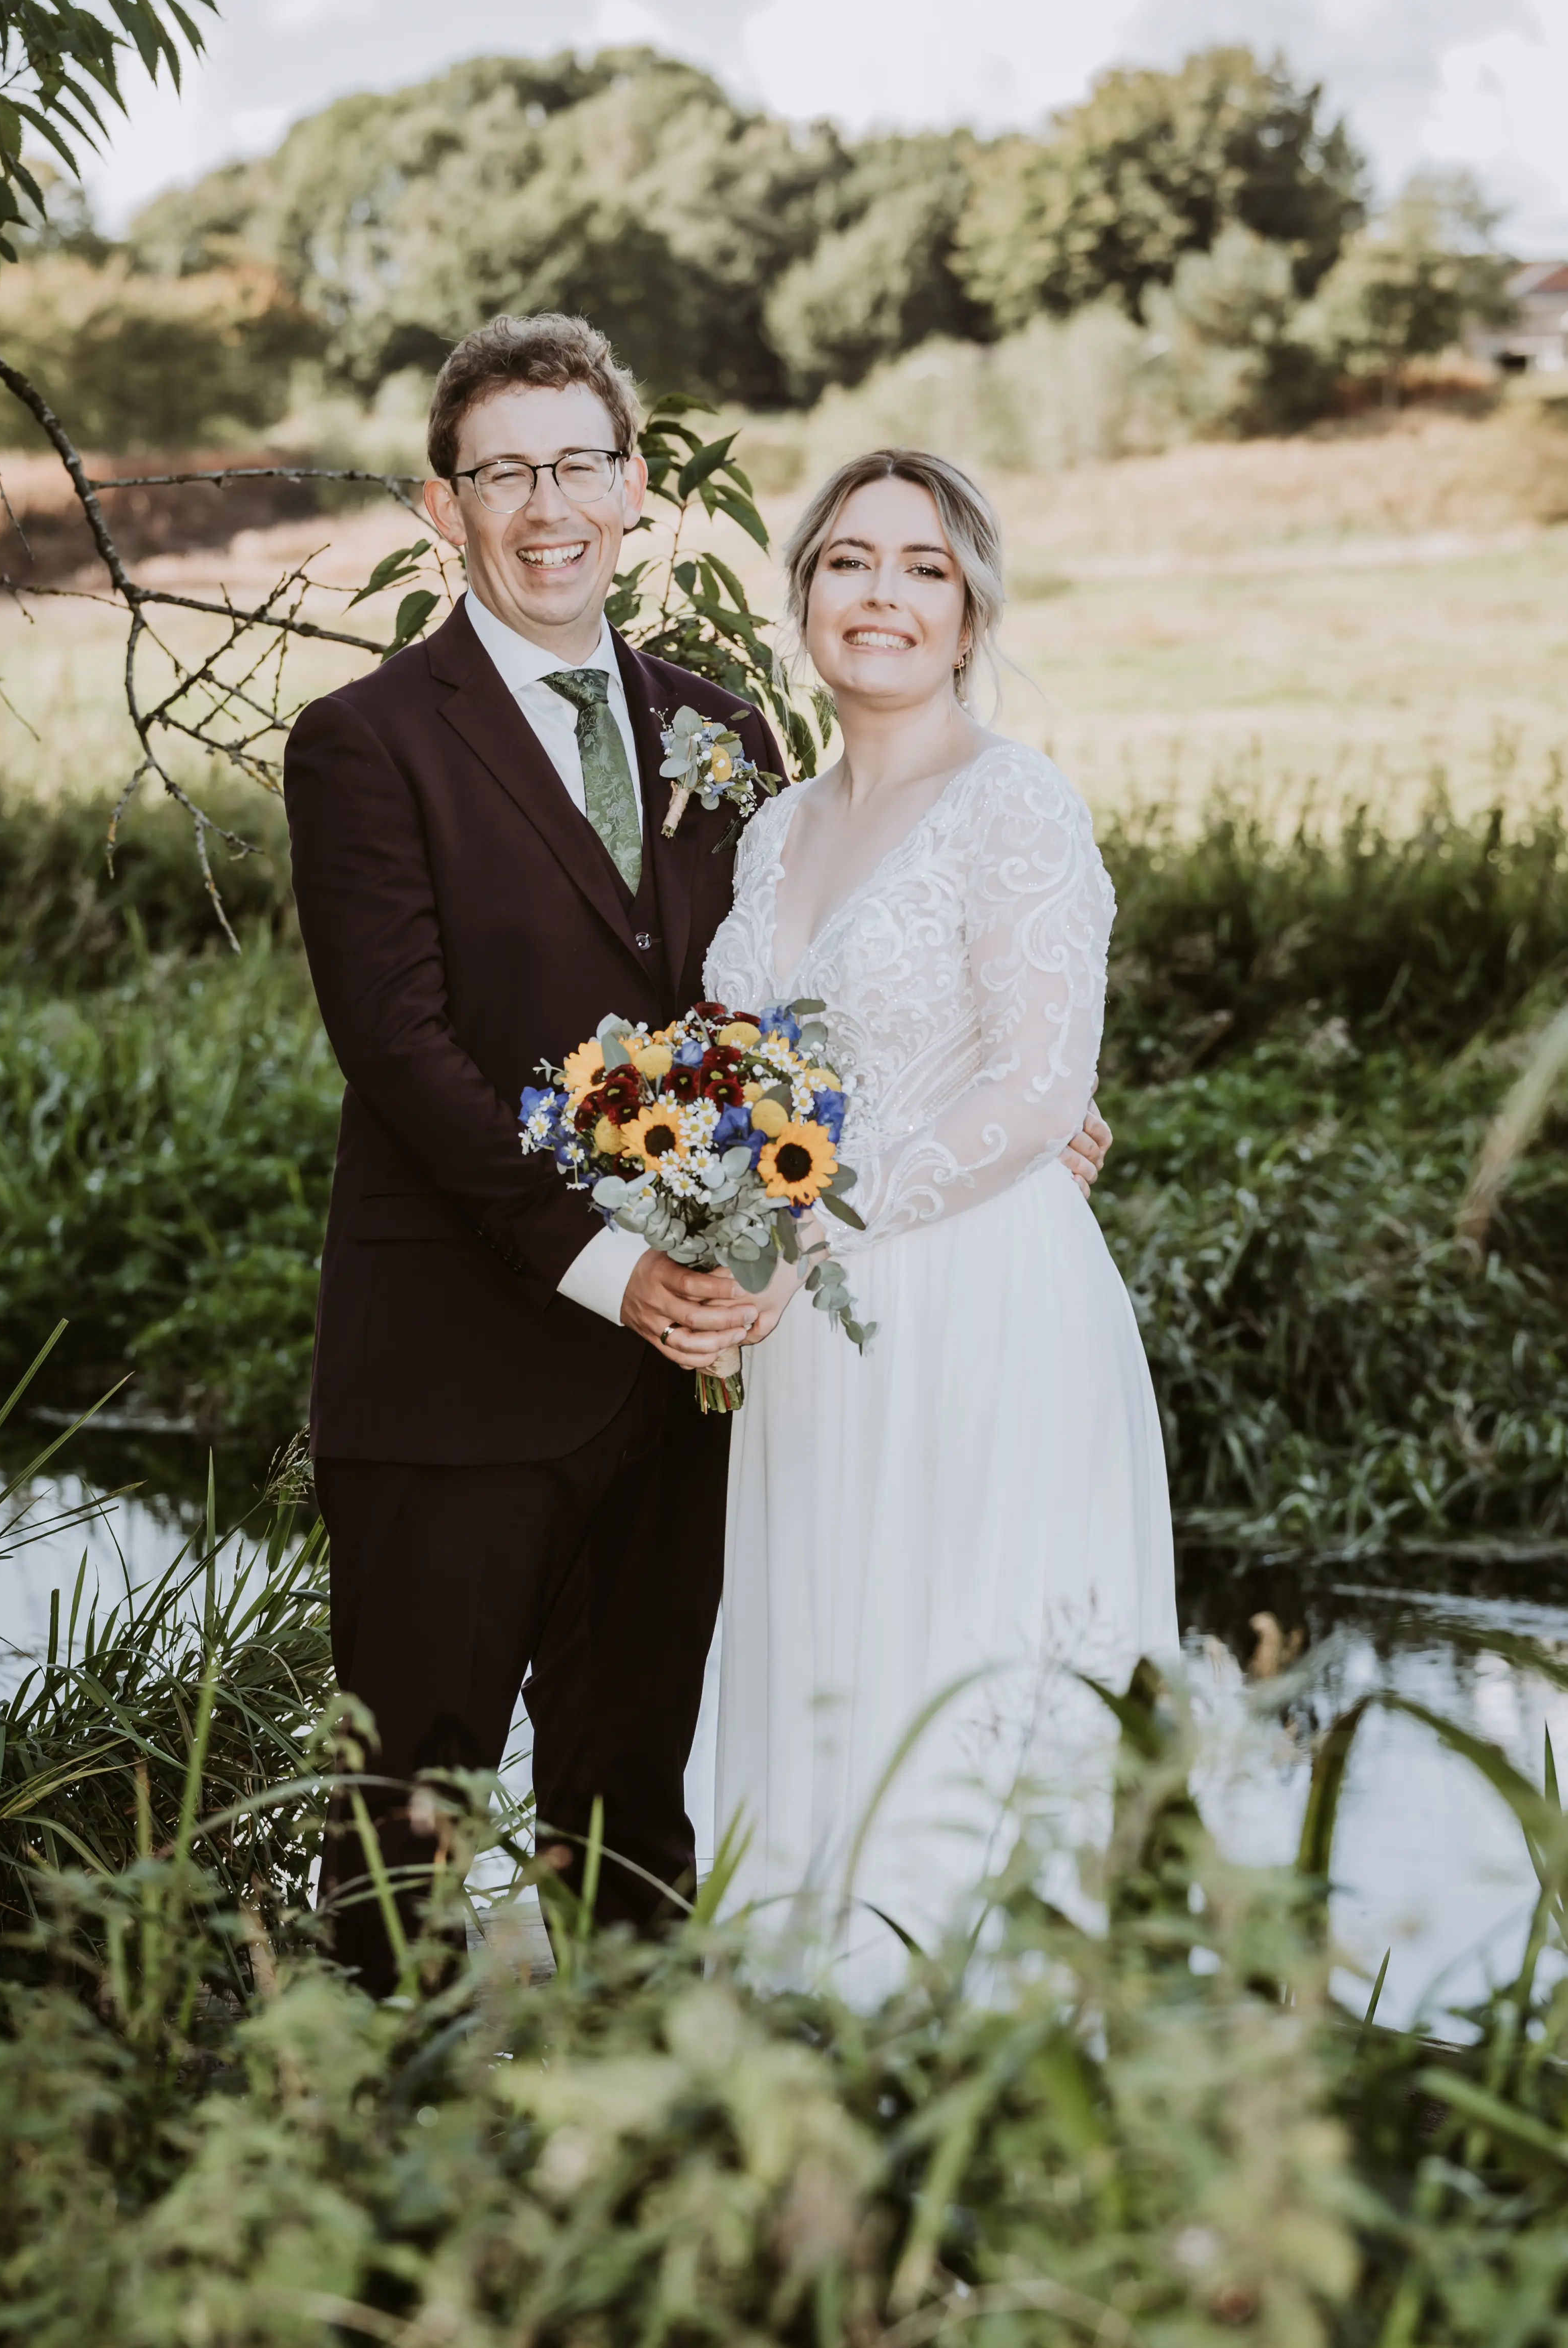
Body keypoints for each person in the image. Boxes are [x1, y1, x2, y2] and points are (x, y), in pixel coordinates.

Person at [285, 319, 1110, 1989]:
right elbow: (403, 1047)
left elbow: (802, 1006)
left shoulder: (724, 736)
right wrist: (611, 1264)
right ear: (447, 509)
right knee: (409, 1822)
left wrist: (1020, 1097)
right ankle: (374, 2199)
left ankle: (633, 2182)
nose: (548, 505)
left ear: (636, 487)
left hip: (708, 1390)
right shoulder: (367, 740)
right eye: (505, 471)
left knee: (638, 1830)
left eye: (579, 462)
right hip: (459, 1369)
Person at [705, 449, 1177, 2000]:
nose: (882, 595)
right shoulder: (774, 830)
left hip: (977, 1307)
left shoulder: (1015, 802)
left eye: (921, 566)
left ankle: (981, 2078)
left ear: (969, 610)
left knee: (960, 1672)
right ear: (806, 601)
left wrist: (813, 1217)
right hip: (808, 1339)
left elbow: (1043, 1084)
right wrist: (724, 1209)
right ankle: (809, 2059)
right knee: (826, 1669)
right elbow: (735, 1073)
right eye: (849, 562)